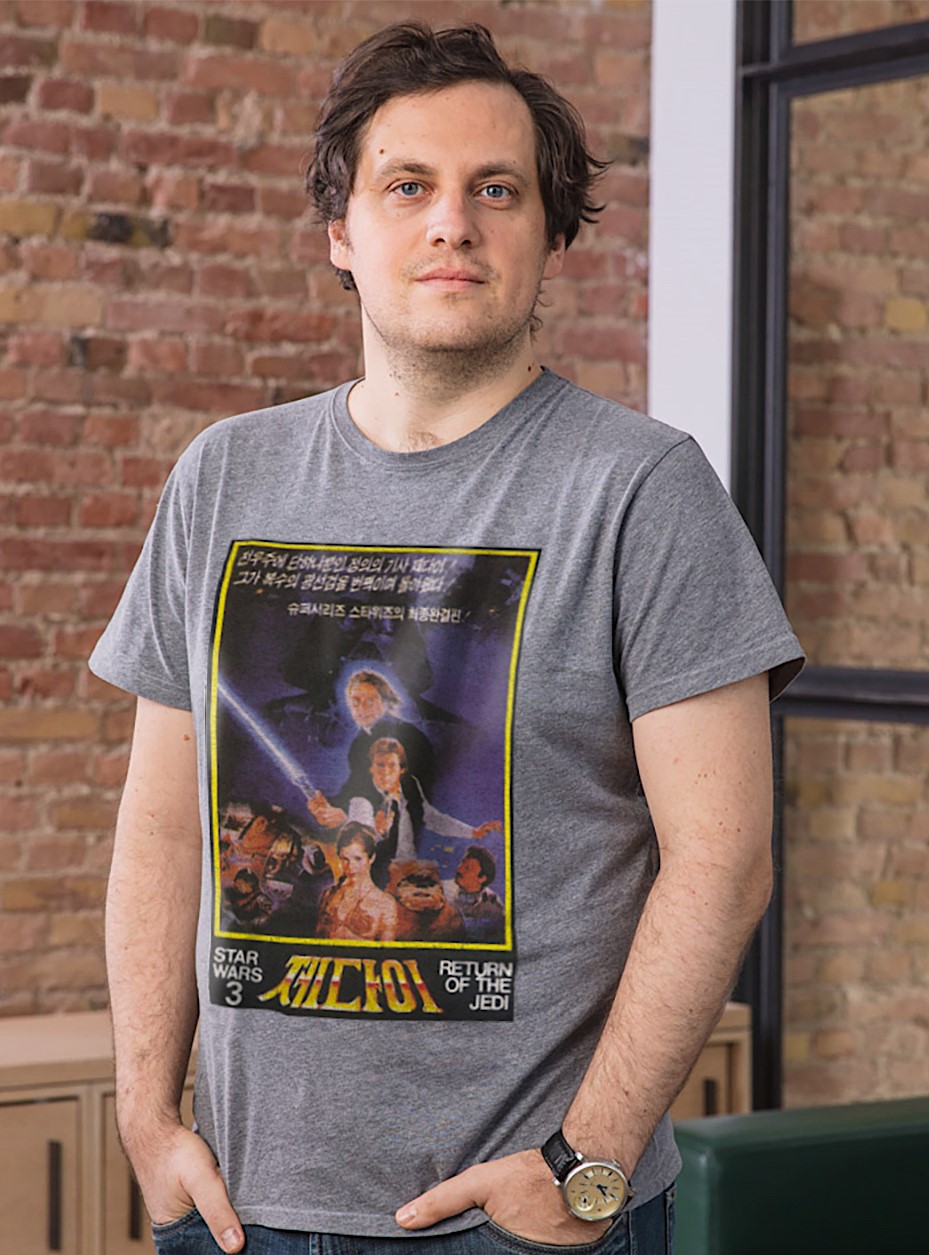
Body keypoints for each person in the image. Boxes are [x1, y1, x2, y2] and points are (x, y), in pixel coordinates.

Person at [91, 20, 804, 1255]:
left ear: (552, 235)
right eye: (407, 185)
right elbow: (162, 824)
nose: (452, 224)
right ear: (341, 230)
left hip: (523, 1219)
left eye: (496, 190)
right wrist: (147, 1116)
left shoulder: (641, 490)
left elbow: (724, 858)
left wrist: (583, 1165)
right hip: (242, 1209)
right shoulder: (224, 479)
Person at [342, 737, 501, 887]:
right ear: (371, 768)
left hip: (408, 871)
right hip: (376, 878)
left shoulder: (410, 784)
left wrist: (473, 832)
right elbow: (357, 844)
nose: (385, 772)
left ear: (401, 769)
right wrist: (377, 833)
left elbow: (432, 818)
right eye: (380, 765)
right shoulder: (362, 799)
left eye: (392, 765)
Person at [316, 823, 400, 942]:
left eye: (358, 859)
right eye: (345, 859)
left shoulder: (385, 904)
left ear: (371, 858)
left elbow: (386, 950)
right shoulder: (328, 895)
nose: (350, 867)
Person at [443, 845, 505, 943]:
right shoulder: (443, 891)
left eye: (467, 868)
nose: (459, 869)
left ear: (482, 878)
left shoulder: (494, 906)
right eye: (462, 863)